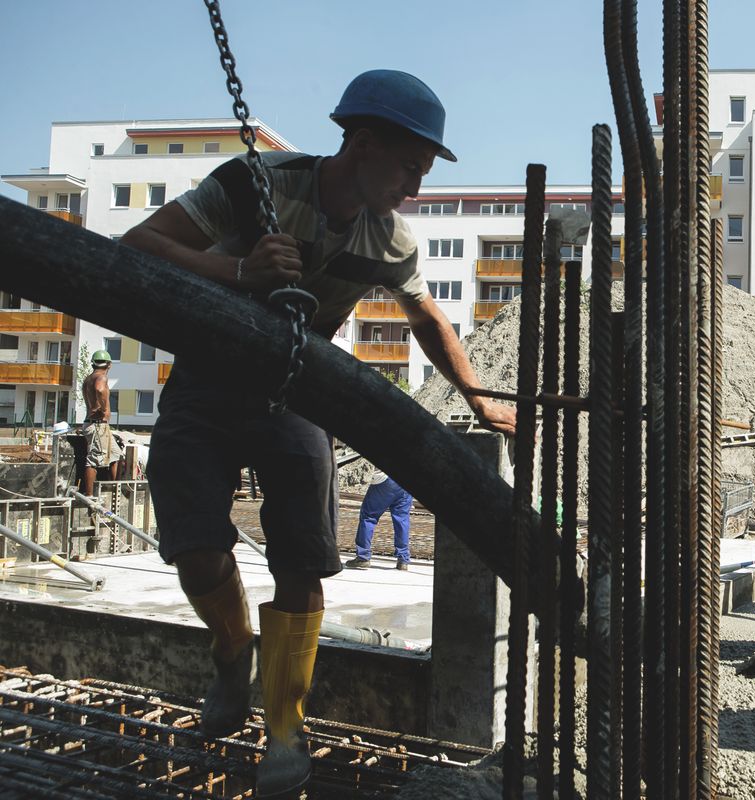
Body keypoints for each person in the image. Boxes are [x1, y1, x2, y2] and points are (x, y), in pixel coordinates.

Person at [122, 69, 515, 796]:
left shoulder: (388, 237)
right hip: (205, 383)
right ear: (362, 146)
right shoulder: (253, 184)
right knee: (197, 548)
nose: (415, 189)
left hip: (299, 388)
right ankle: (233, 649)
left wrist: (480, 395)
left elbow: (426, 317)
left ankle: (283, 728)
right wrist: (236, 270)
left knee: (303, 559)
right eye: (408, 169)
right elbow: (136, 245)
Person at [345, 471, 413, 570]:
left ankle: (363, 557)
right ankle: (403, 560)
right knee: (402, 520)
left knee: (368, 517)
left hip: (386, 479)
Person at [80, 350, 118, 495]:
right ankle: (89, 497)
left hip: (96, 425)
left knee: (116, 454)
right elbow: (100, 389)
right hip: (97, 424)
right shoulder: (101, 377)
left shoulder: (88, 378)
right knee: (93, 460)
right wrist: (104, 409)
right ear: (109, 364)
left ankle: (115, 489)